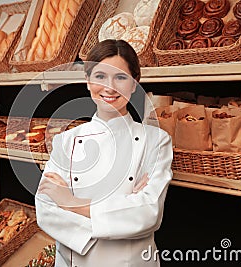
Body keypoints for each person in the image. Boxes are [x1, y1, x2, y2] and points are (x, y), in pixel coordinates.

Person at [35, 39, 173, 266]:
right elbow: (46, 209)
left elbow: (148, 213)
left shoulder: (155, 141)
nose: (109, 87)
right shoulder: (66, 141)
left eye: (120, 77)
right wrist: (125, 207)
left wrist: (71, 203)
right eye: (100, 77)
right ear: (88, 81)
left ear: (134, 83)